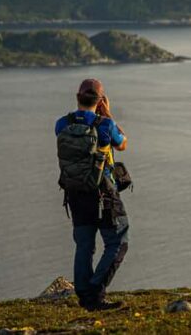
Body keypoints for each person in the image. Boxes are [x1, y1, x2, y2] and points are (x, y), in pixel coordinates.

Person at [54, 78, 129, 311]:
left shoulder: (61, 124)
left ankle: (85, 295)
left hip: (75, 193)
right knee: (118, 241)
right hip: (104, 194)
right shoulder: (106, 125)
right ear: (101, 100)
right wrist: (107, 113)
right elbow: (122, 144)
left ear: (77, 97)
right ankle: (96, 291)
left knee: (84, 245)